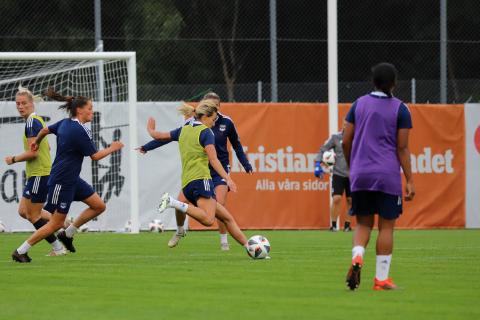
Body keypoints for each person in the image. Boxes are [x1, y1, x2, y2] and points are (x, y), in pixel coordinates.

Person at [12, 89, 124, 263]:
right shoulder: (79, 131)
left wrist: (36, 142)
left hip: (72, 179)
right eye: (90, 108)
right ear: (79, 110)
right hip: (61, 181)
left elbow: (45, 130)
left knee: (98, 205)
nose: (91, 111)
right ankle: (21, 250)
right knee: (54, 222)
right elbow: (95, 157)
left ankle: (68, 234)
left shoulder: (65, 123)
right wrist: (113, 147)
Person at [138, 92, 252, 250]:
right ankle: (174, 204)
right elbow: (213, 159)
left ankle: (250, 248)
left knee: (227, 217)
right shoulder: (206, 132)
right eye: (212, 119)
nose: (214, 122)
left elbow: (159, 135)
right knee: (208, 219)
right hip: (202, 179)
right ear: (206, 115)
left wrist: (150, 130)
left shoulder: (185, 128)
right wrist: (229, 179)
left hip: (188, 181)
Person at [342, 63, 415, 290]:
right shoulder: (400, 109)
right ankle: (381, 279)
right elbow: (402, 148)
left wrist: (353, 164)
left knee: (363, 223)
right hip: (387, 176)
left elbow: (345, 140)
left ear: (373, 81)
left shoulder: (358, 105)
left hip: (361, 174)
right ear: (394, 83)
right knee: (386, 227)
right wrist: (410, 179)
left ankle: (357, 256)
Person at [5, 88, 66, 256]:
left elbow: (34, 152)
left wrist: (14, 159)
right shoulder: (36, 121)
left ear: (32, 104)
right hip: (36, 173)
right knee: (23, 211)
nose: (20, 106)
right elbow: (46, 145)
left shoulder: (32, 122)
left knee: (33, 215)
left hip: (40, 173)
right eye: (18, 103)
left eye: (24, 103)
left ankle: (58, 247)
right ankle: (63, 222)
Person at [314, 120, 352, 232]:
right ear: (342, 125)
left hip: (353, 174)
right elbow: (323, 149)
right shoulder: (335, 138)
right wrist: (317, 163)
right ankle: (334, 225)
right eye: (345, 124)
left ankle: (347, 225)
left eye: (349, 124)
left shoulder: (357, 138)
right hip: (338, 173)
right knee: (336, 198)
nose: (347, 126)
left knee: (351, 200)